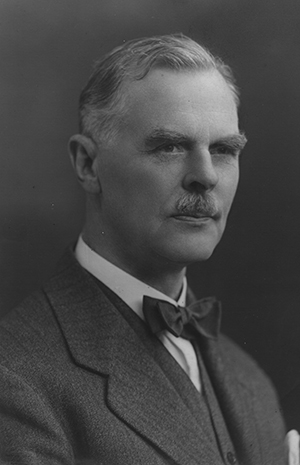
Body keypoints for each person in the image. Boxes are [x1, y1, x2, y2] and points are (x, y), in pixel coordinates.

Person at [0, 33, 291, 464]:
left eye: (224, 149)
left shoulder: (251, 380)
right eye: (170, 146)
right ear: (88, 164)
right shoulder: (17, 378)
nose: (205, 176)